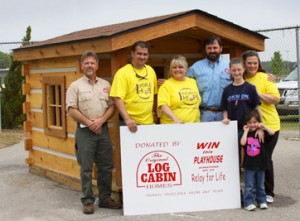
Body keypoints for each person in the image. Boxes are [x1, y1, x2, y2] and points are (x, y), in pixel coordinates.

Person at [66, 51, 122, 214]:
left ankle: (105, 198)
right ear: (81, 66)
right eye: (86, 63)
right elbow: (71, 109)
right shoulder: (75, 86)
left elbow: (112, 106)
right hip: (85, 132)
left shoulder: (106, 85)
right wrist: (90, 123)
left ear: (97, 66)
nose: (89, 66)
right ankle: (88, 200)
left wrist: (101, 120)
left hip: (103, 131)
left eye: (92, 63)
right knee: (86, 167)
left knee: (106, 165)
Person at [242, 50, 281, 203]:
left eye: (255, 63)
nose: (252, 65)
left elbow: (275, 99)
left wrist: (257, 93)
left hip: (269, 124)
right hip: (251, 127)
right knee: (253, 158)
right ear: (244, 64)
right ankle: (256, 191)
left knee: (265, 157)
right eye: (249, 63)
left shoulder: (265, 78)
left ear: (259, 64)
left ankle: (268, 192)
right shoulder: (240, 77)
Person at [221, 57, 262, 165]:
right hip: (233, 128)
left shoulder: (250, 88)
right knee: (234, 156)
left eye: (239, 69)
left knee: (251, 155)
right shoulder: (227, 90)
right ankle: (236, 178)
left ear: (244, 69)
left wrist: (260, 126)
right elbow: (224, 108)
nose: (237, 72)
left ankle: (250, 179)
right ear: (230, 71)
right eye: (234, 70)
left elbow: (257, 108)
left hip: (249, 127)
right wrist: (225, 118)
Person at [110, 41, 158, 132]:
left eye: (145, 54)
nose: (142, 57)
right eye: (139, 54)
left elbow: (154, 94)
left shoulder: (151, 71)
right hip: (131, 123)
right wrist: (127, 119)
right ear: (132, 54)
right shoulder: (122, 73)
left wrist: (154, 113)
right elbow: (117, 98)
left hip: (149, 122)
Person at [187, 35, 231, 122]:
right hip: (204, 113)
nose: (212, 51)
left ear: (221, 48)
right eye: (209, 48)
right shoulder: (195, 67)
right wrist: (166, 82)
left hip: (225, 114)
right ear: (205, 49)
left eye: (215, 47)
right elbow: (181, 81)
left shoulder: (230, 66)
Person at [240, 109, 275, 211]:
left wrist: (263, 126)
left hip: (261, 164)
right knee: (249, 185)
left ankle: (262, 201)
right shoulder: (246, 134)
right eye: (250, 123)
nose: (252, 125)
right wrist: (246, 131)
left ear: (258, 122)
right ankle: (248, 202)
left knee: (260, 185)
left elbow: (272, 132)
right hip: (249, 165)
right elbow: (242, 143)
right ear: (246, 123)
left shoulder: (262, 133)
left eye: (255, 122)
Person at [157, 55, 201, 124]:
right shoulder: (166, 85)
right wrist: (175, 119)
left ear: (186, 69)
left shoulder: (193, 82)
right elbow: (163, 106)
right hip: (174, 126)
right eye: (174, 67)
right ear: (171, 70)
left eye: (181, 67)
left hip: (194, 125)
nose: (177, 69)